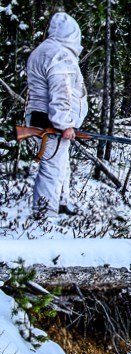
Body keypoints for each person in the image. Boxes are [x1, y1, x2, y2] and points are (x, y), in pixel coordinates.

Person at [24, 11, 89, 215]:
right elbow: (61, 92)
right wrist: (65, 124)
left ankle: (61, 204)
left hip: (40, 119)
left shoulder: (42, 51)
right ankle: (45, 216)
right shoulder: (59, 54)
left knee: (59, 163)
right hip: (51, 123)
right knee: (51, 170)